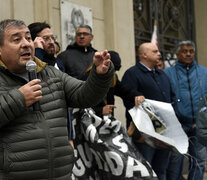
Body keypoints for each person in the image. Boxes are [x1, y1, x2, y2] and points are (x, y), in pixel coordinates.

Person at [0, 19, 114, 180]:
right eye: (16, 39)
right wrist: (19, 98)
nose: (26, 44)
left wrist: (100, 75)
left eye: (28, 38)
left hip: (60, 174)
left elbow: (85, 96)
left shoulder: (51, 74)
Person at [121, 42, 176, 180]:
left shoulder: (162, 75)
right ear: (144, 54)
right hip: (144, 133)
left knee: (161, 169)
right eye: (155, 51)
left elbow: (172, 97)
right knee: (145, 170)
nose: (159, 54)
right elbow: (129, 102)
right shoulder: (132, 74)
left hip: (165, 132)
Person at [164, 40, 207, 180]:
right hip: (178, 124)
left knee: (199, 161)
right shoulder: (167, 73)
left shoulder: (204, 72)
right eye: (184, 51)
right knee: (176, 161)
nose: (188, 54)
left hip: (200, 124)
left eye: (191, 51)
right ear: (177, 54)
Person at [28, 22, 75, 147]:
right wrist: (37, 50)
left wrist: (70, 136)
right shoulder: (30, 63)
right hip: (41, 133)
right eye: (45, 38)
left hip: (62, 131)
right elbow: (37, 78)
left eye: (52, 38)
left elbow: (66, 100)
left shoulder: (58, 63)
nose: (51, 42)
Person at [83, 50, 145, 118]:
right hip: (90, 121)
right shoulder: (88, 78)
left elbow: (124, 91)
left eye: (114, 70)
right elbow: (81, 104)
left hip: (106, 121)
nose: (112, 73)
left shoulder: (113, 77)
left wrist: (137, 96)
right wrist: (100, 110)